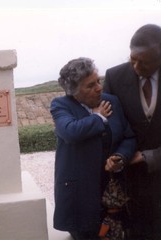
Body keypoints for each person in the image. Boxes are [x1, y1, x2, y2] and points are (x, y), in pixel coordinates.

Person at [50, 57, 136, 240]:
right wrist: (98, 118)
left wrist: (120, 157)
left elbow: (128, 137)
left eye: (98, 81)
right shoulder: (61, 105)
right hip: (79, 197)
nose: (99, 87)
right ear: (74, 92)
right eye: (90, 86)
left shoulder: (111, 101)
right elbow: (70, 132)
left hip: (112, 194)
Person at [103, 23, 161, 240]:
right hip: (130, 182)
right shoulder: (114, 77)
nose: (136, 66)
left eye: (143, 62)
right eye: (132, 59)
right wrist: (120, 156)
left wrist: (149, 157)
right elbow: (110, 130)